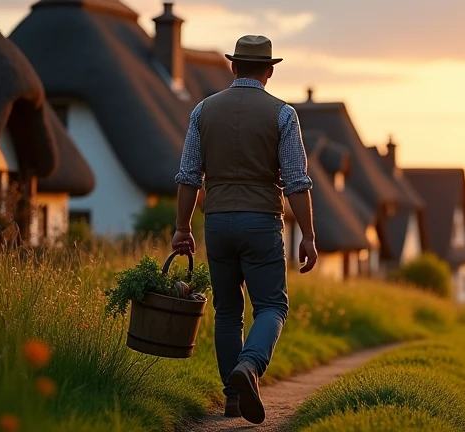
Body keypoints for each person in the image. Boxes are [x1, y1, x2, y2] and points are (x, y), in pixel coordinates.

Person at [172, 34, 317, 425]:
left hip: (217, 222)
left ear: (233, 67)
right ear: (270, 71)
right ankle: (250, 367)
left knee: (227, 312)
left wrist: (182, 227)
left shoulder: (202, 111)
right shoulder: (283, 114)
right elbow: (296, 182)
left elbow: (188, 176)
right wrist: (308, 235)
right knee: (271, 306)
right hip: (262, 222)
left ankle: (232, 399)